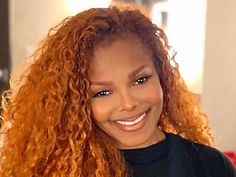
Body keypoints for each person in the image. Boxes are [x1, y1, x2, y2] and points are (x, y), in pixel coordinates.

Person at [0, 6, 235, 177]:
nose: (128, 103)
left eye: (140, 80)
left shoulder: (210, 165)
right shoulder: (52, 170)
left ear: (162, 77)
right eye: (102, 93)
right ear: (76, 103)